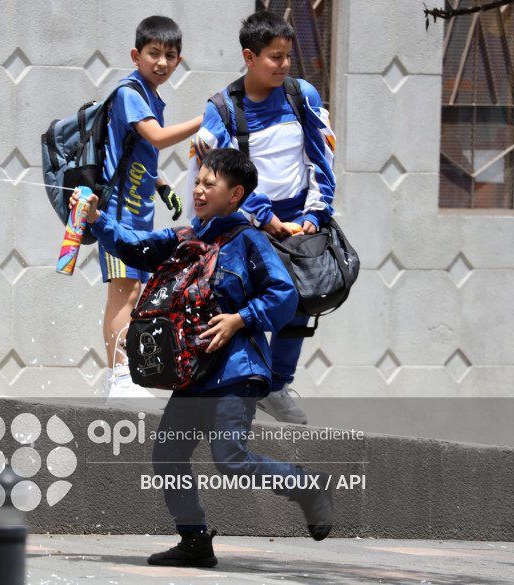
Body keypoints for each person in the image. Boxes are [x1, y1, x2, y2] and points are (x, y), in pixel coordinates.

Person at [73, 148, 334, 568]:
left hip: (234, 371)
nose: (197, 189)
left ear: (236, 195)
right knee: (168, 456)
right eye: (197, 181)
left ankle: (306, 485)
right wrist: (96, 220)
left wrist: (239, 319)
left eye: (209, 183)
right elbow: (137, 248)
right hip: (194, 375)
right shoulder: (185, 239)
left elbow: (283, 297)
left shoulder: (249, 240)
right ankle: (194, 540)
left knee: (229, 458)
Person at [187, 11, 336, 425]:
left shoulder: (300, 95)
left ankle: (276, 385)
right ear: (249, 57)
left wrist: (315, 212)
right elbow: (215, 177)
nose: (284, 65)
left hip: (298, 225)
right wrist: (265, 218)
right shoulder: (221, 109)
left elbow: (323, 156)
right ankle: (229, 388)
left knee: (304, 299)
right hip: (243, 226)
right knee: (238, 305)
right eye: (275, 57)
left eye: (288, 56)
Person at [97, 15, 203, 404]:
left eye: (169, 55)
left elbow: (138, 153)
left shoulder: (151, 96)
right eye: (153, 53)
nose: (161, 61)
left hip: (139, 212)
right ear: (136, 55)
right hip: (117, 214)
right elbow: (156, 138)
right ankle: (118, 377)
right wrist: (205, 118)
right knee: (123, 295)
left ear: (178, 61)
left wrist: (161, 186)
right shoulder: (129, 93)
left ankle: (126, 375)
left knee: (136, 292)